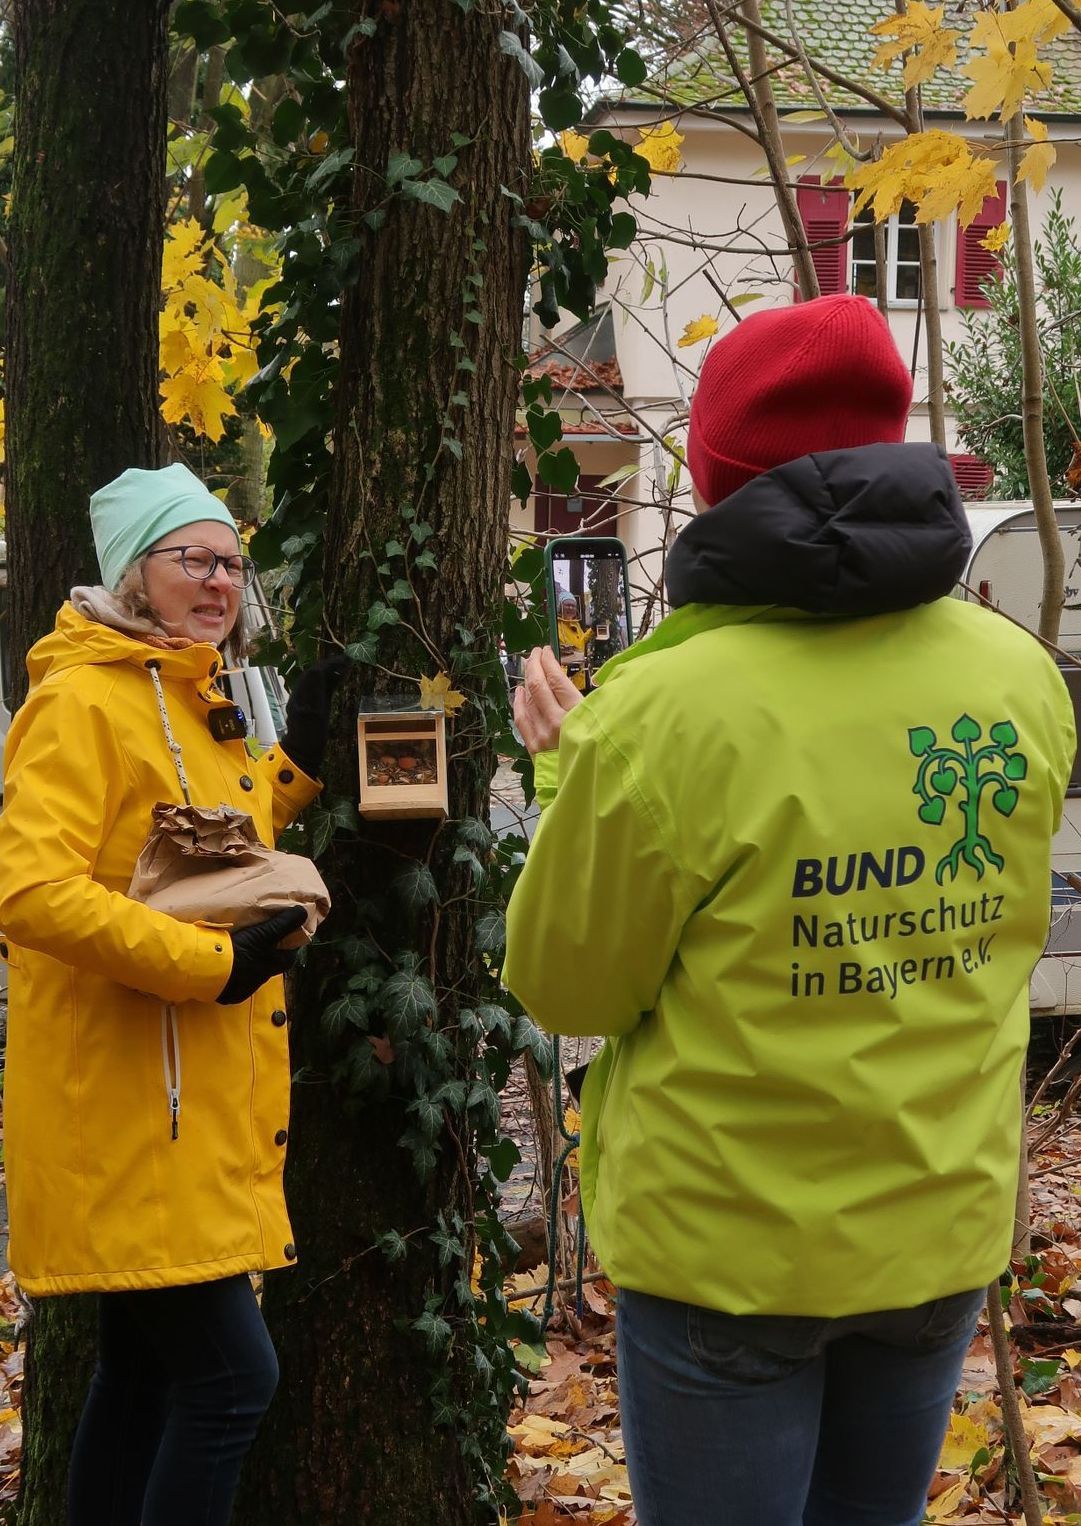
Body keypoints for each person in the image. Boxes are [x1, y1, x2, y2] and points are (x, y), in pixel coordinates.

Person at [503, 296, 1075, 1526]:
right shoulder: (1015, 671)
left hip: (729, 1251)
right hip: (933, 1226)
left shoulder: (662, 712)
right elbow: (999, 928)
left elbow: (567, 986)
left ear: (715, 476)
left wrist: (568, 767)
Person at [0, 463, 345, 1525]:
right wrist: (216, 966)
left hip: (176, 1106)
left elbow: (200, 857)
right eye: (191, 558)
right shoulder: (81, 702)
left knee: (147, 1378)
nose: (219, 581)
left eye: (232, 563)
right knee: (232, 1380)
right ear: (133, 572)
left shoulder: (188, 691)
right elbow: (29, 888)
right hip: (132, 1109)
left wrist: (296, 768)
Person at [556, 592, 594, 692]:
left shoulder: (576, 624)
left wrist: (593, 629)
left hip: (580, 679)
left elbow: (581, 641)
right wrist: (566, 671)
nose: (571, 608)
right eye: (567, 605)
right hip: (565, 680)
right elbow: (555, 652)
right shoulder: (556, 625)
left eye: (573, 606)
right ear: (560, 606)